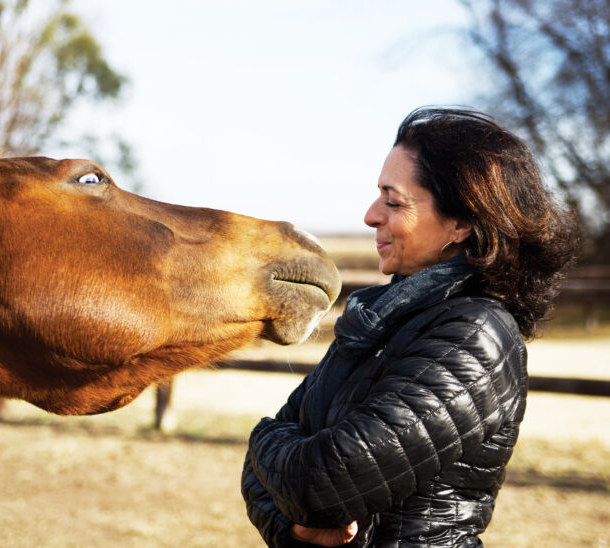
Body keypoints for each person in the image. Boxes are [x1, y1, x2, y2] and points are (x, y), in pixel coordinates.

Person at [241, 107, 578, 547]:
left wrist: (263, 436)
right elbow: (260, 478)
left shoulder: (476, 335)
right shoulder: (379, 322)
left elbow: (321, 484)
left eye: (393, 200)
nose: (370, 215)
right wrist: (295, 532)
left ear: (460, 223)